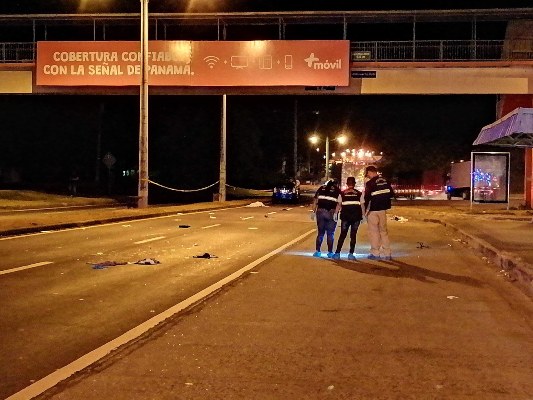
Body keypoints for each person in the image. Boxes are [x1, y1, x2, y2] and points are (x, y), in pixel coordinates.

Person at [363, 165, 394, 260]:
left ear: (370, 172)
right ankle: (387, 253)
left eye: (367, 174)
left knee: (374, 232)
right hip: (383, 210)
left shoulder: (370, 183)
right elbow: (392, 194)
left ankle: (375, 253)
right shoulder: (386, 181)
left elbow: (366, 198)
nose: (367, 176)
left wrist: (364, 211)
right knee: (384, 232)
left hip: (373, 210)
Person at [333, 176, 363, 260]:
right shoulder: (359, 193)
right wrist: (364, 215)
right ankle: (350, 254)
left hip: (345, 217)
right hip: (356, 217)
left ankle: (337, 253)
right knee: (353, 235)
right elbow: (362, 205)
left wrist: (335, 213)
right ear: (354, 184)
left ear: (347, 184)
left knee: (342, 235)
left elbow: (339, 205)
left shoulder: (342, 193)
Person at [311, 179, 341, 258]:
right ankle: (330, 252)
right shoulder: (337, 190)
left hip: (320, 212)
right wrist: (336, 213)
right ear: (336, 185)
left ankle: (317, 251)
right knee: (330, 233)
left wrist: (313, 211)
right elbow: (339, 203)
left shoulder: (321, 188)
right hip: (331, 212)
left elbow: (315, 201)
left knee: (320, 233)